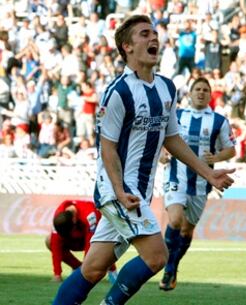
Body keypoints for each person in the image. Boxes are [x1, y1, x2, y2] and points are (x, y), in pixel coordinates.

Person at [51, 15, 234, 305]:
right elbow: (107, 148)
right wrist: (120, 192)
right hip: (119, 191)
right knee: (157, 256)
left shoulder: (166, 88)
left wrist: (208, 173)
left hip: (137, 194)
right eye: (144, 34)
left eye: (154, 33)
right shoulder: (118, 92)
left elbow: (173, 139)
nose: (153, 38)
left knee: (93, 268)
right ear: (127, 47)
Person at [158, 77, 236, 291]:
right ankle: (168, 268)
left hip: (201, 183)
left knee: (186, 231)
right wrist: (161, 156)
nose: (201, 93)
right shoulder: (177, 115)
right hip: (176, 176)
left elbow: (231, 149)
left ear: (210, 95)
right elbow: (158, 139)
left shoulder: (219, 121)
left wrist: (217, 157)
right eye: (197, 89)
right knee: (174, 220)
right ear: (190, 93)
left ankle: (173, 266)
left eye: (205, 90)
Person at [45, 199, 117, 283]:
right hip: (74, 240)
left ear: (74, 220)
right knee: (49, 241)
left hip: (95, 239)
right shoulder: (60, 213)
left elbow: (90, 243)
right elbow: (55, 243)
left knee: (105, 242)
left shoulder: (89, 214)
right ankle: (77, 267)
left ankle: (112, 270)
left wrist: (85, 271)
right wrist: (57, 274)